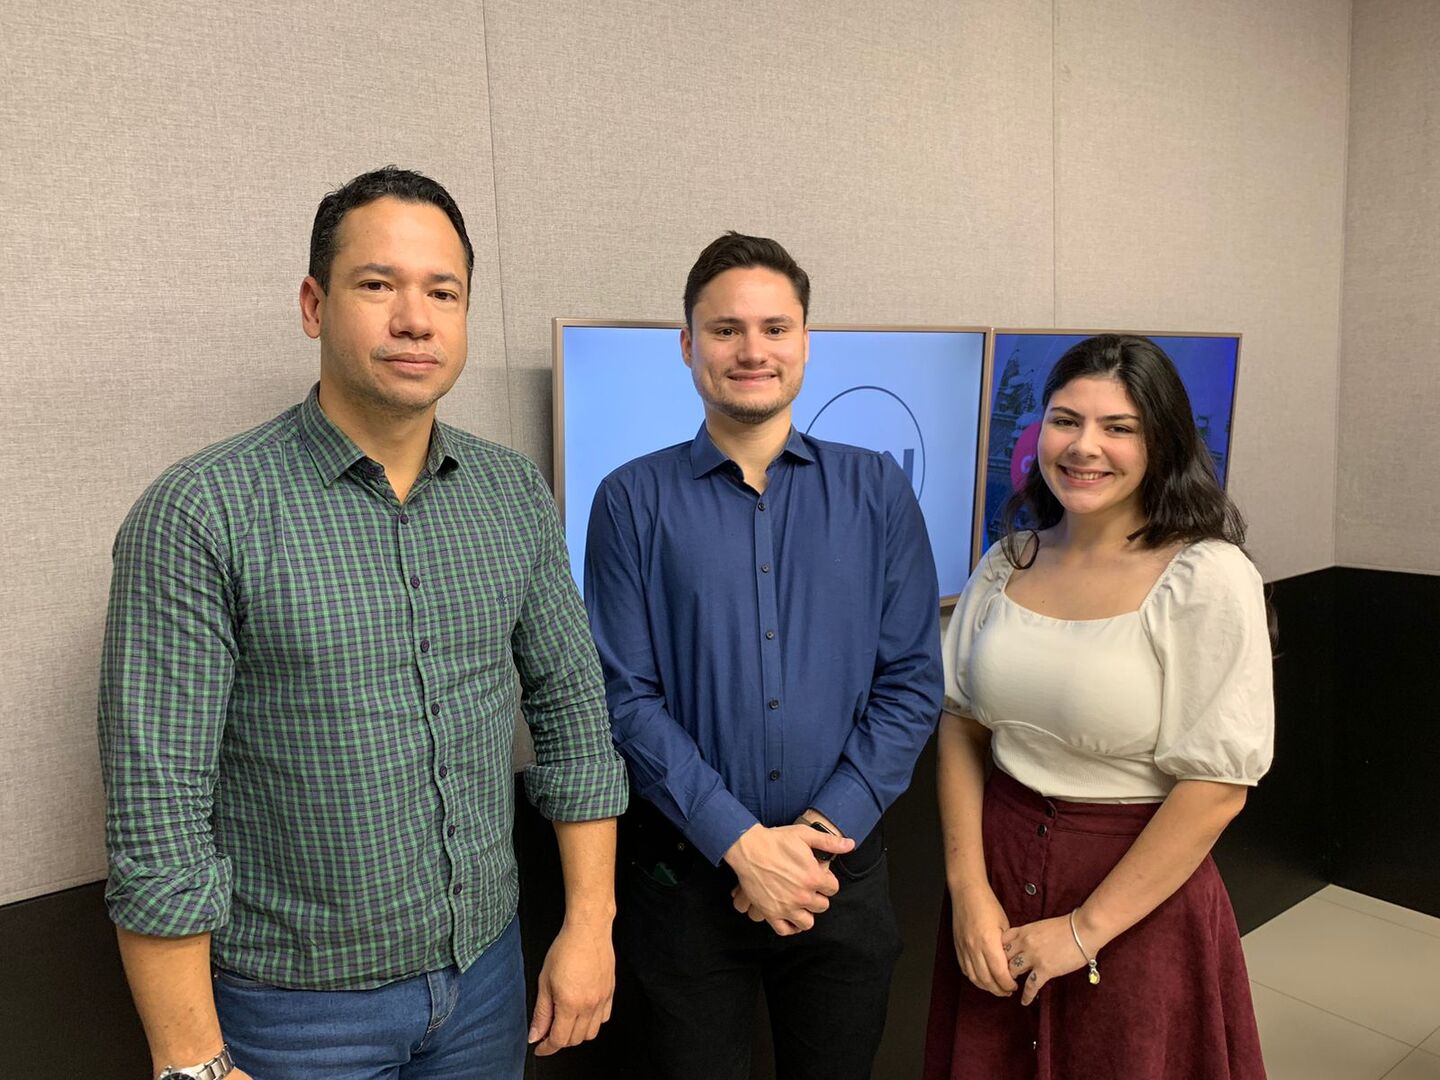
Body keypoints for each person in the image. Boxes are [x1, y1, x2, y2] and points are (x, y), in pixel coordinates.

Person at [98, 167, 628, 1080]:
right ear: (314, 304)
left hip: (487, 978)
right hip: (294, 1012)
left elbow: (575, 714)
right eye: (377, 284)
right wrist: (191, 1062)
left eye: (443, 292)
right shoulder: (202, 512)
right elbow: (157, 810)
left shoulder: (511, 495)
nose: (414, 318)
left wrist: (589, 925)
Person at [583, 231, 944, 1080]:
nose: (753, 350)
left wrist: (809, 846)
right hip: (686, 885)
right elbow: (623, 696)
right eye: (726, 329)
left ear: (807, 342)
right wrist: (742, 844)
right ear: (687, 346)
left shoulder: (877, 490)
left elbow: (911, 684)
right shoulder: (631, 499)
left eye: (776, 328)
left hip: (838, 880)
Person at [923, 334, 1272, 1079]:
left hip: (1138, 892)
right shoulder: (1006, 560)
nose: (1085, 447)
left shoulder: (1206, 575)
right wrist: (968, 891)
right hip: (1000, 868)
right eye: (1065, 420)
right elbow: (961, 724)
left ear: (1162, 443)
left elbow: (1215, 790)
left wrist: (1083, 932)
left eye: (1119, 427)